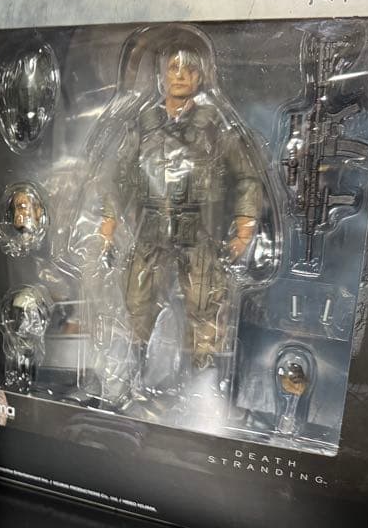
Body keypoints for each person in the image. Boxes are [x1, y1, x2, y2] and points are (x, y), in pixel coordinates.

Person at [98, 45, 262, 394]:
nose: (180, 75)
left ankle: (202, 384)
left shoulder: (215, 125)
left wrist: (244, 227)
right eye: (173, 68)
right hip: (150, 231)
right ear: (162, 74)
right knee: (137, 306)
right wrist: (109, 223)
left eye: (189, 69)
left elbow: (247, 176)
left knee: (204, 310)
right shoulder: (143, 123)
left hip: (199, 233)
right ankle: (132, 377)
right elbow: (119, 176)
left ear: (201, 77)